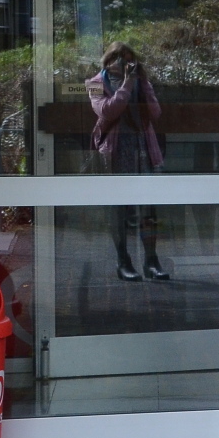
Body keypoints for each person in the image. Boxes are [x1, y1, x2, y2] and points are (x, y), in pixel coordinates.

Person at [87, 42, 169, 282]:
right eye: (122, 60)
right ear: (109, 60)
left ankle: (152, 262)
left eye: (130, 61)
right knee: (119, 208)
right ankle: (123, 262)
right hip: (115, 151)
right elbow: (107, 111)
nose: (126, 66)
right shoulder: (94, 84)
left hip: (143, 148)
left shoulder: (139, 82)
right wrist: (127, 84)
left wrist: (142, 82)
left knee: (148, 208)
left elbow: (155, 112)